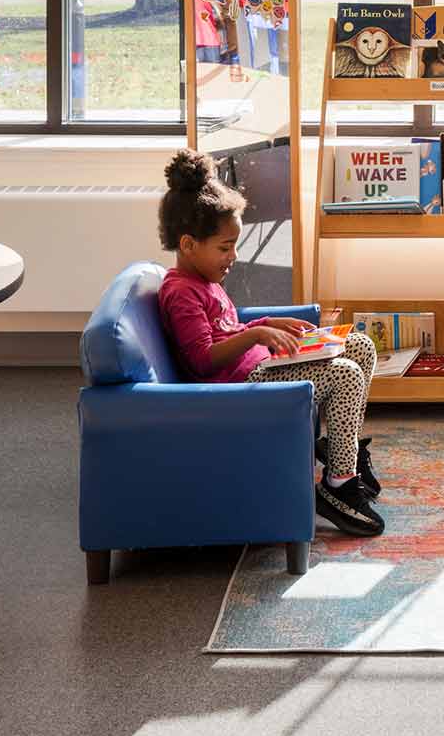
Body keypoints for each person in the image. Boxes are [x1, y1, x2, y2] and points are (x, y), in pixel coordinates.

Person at [154, 149, 385, 536]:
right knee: (344, 375)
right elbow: (203, 360)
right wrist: (257, 334)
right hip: (241, 391)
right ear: (189, 244)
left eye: (234, 245)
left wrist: (265, 322)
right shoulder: (180, 292)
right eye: (224, 248)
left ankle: (344, 452)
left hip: (258, 372)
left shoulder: (204, 282)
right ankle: (338, 486)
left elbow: (223, 329)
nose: (234, 256)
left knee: (360, 346)